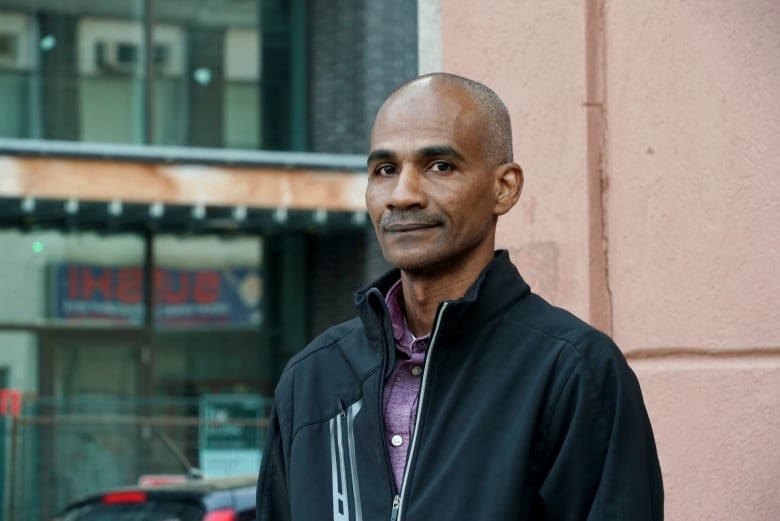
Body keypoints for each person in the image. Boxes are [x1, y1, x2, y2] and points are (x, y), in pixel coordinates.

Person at [257, 72, 664, 520]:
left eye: (439, 166)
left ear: (504, 187)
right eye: (385, 170)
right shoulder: (311, 378)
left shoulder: (573, 371)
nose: (403, 195)